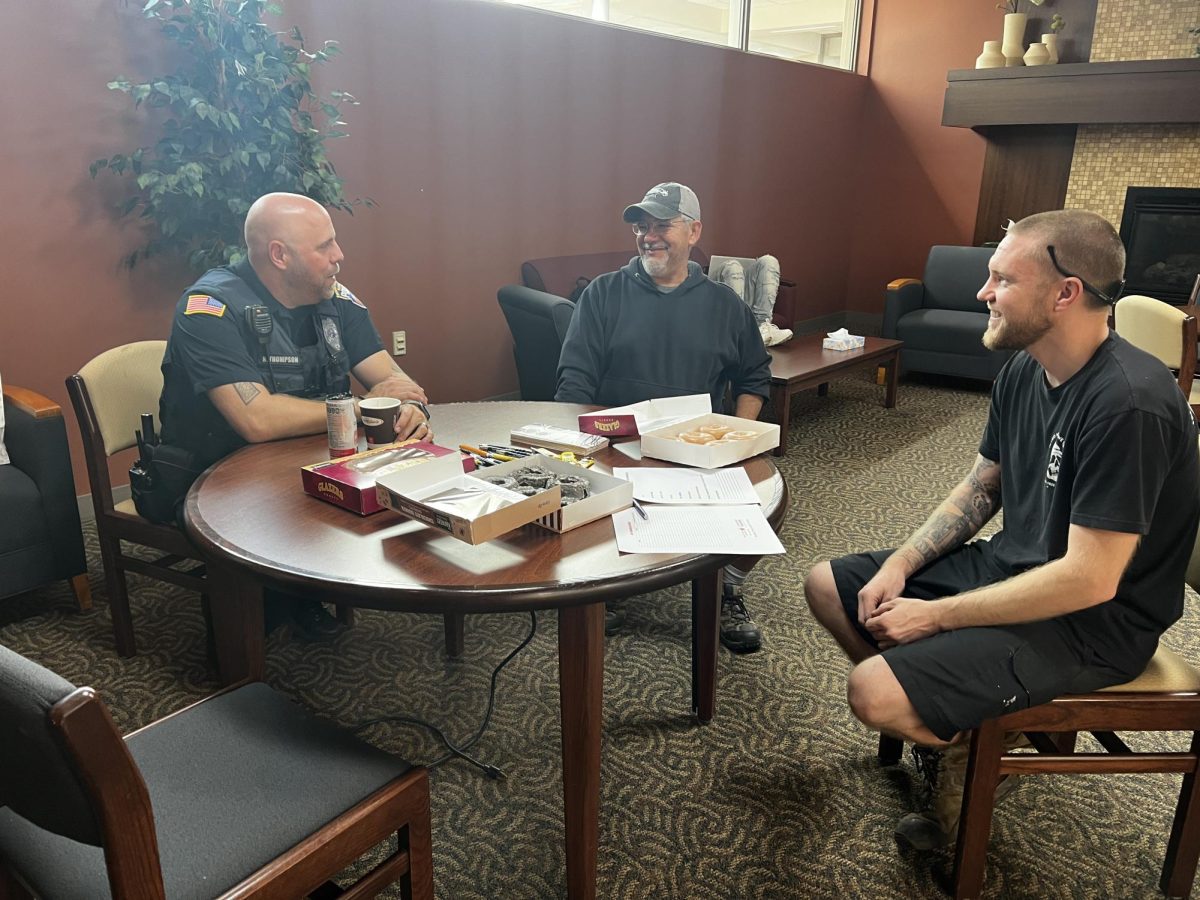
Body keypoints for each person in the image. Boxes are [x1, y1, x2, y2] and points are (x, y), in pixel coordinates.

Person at [804, 209, 1200, 850]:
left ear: (1065, 292)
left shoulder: (1130, 404)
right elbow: (983, 484)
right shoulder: (1026, 365)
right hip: (1016, 567)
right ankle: (967, 725)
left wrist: (936, 619)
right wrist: (902, 562)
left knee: (872, 691)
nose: (983, 293)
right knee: (829, 586)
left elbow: (1090, 579)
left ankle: (967, 745)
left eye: (1001, 280)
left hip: (1095, 622)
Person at [157, 192, 431, 640]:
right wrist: (361, 407)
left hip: (308, 458)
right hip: (213, 475)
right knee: (253, 620)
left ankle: (304, 594)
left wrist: (411, 406)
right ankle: (242, 645)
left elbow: (393, 380)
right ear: (279, 255)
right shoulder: (208, 308)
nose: (339, 256)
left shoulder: (336, 300)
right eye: (324, 246)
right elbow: (257, 420)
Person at [555, 182, 773, 652]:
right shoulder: (602, 294)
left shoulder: (724, 306)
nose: (648, 236)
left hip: (695, 450)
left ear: (694, 231)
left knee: (770, 501)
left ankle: (727, 586)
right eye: (641, 226)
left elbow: (755, 378)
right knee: (577, 508)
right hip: (615, 449)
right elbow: (575, 381)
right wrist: (578, 450)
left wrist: (739, 437)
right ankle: (603, 586)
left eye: (662, 225)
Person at [710, 255, 793, 347]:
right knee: (733, 266)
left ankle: (762, 327)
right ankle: (738, 330)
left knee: (769, 260)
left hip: (745, 299)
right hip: (719, 298)